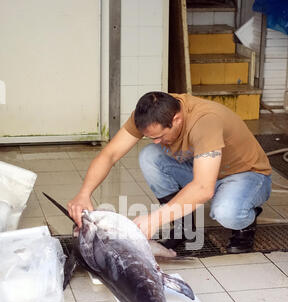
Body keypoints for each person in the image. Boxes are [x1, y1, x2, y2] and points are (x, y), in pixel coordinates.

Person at [67, 91, 272, 253]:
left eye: (160, 136)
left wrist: (155, 219)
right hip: (206, 170)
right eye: (151, 137)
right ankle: (183, 224)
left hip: (246, 175)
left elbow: (203, 188)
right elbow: (109, 154)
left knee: (225, 212)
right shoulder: (149, 116)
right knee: (150, 156)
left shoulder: (205, 122)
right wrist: (84, 193)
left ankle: (246, 222)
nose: (157, 141)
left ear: (177, 119)